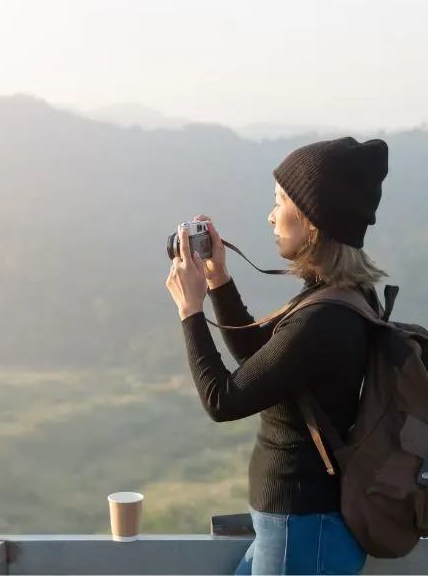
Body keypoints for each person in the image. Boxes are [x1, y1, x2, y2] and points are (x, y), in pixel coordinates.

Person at [166, 136, 390, 575]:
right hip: (293, 528)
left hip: (303, 531)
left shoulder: (324, 319)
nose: (271, 215)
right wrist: (217, 279)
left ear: (312, 221)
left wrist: (190, 311)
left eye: (281, 201)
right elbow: (261, 359)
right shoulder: (337, 297)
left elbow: (222, 400)